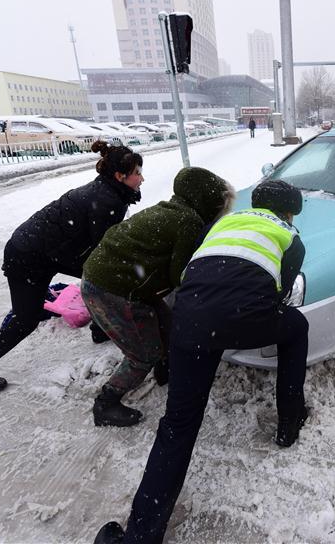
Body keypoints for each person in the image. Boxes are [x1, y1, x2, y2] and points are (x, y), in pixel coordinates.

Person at [94, 180, 309, 544]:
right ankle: (289, 419)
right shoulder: (291, 237)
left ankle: (141, 536)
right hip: (244, 317)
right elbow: (281, 294)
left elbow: (192, 274)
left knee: (178, 426)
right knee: (296, 327)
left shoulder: (221, 225)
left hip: (190, 321)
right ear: (288, 213)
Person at [0, 141, 144, 394]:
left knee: (102, 277)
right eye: (137, 173)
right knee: (26, 320)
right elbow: (103, 254)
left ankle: (100, 329)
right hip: (27, 257)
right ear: (120, 176)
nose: (142, 179)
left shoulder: (109, 192)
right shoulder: (108, 200)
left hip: (47, 252)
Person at [81, 167, 235, 427]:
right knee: (142, 354)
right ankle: (106, 403)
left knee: (168, 324)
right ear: (209, 203)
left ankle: (166, 369)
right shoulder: (189, 222)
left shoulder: (172, 209)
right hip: (113, 289)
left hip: (115, 280)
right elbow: (181, 277)